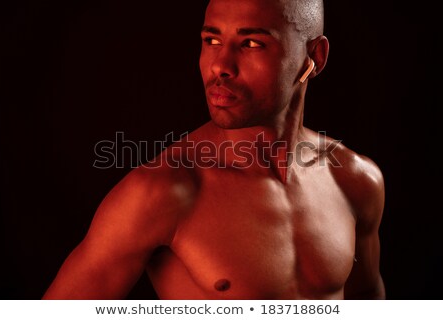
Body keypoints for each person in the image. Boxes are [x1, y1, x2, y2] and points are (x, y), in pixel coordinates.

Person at [43, 0, 385, 299]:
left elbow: (366, 299)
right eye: (212, 40)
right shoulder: (163, 192)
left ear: (315, 56)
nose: (220, 65)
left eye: (251, 43)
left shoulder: (355, 180)